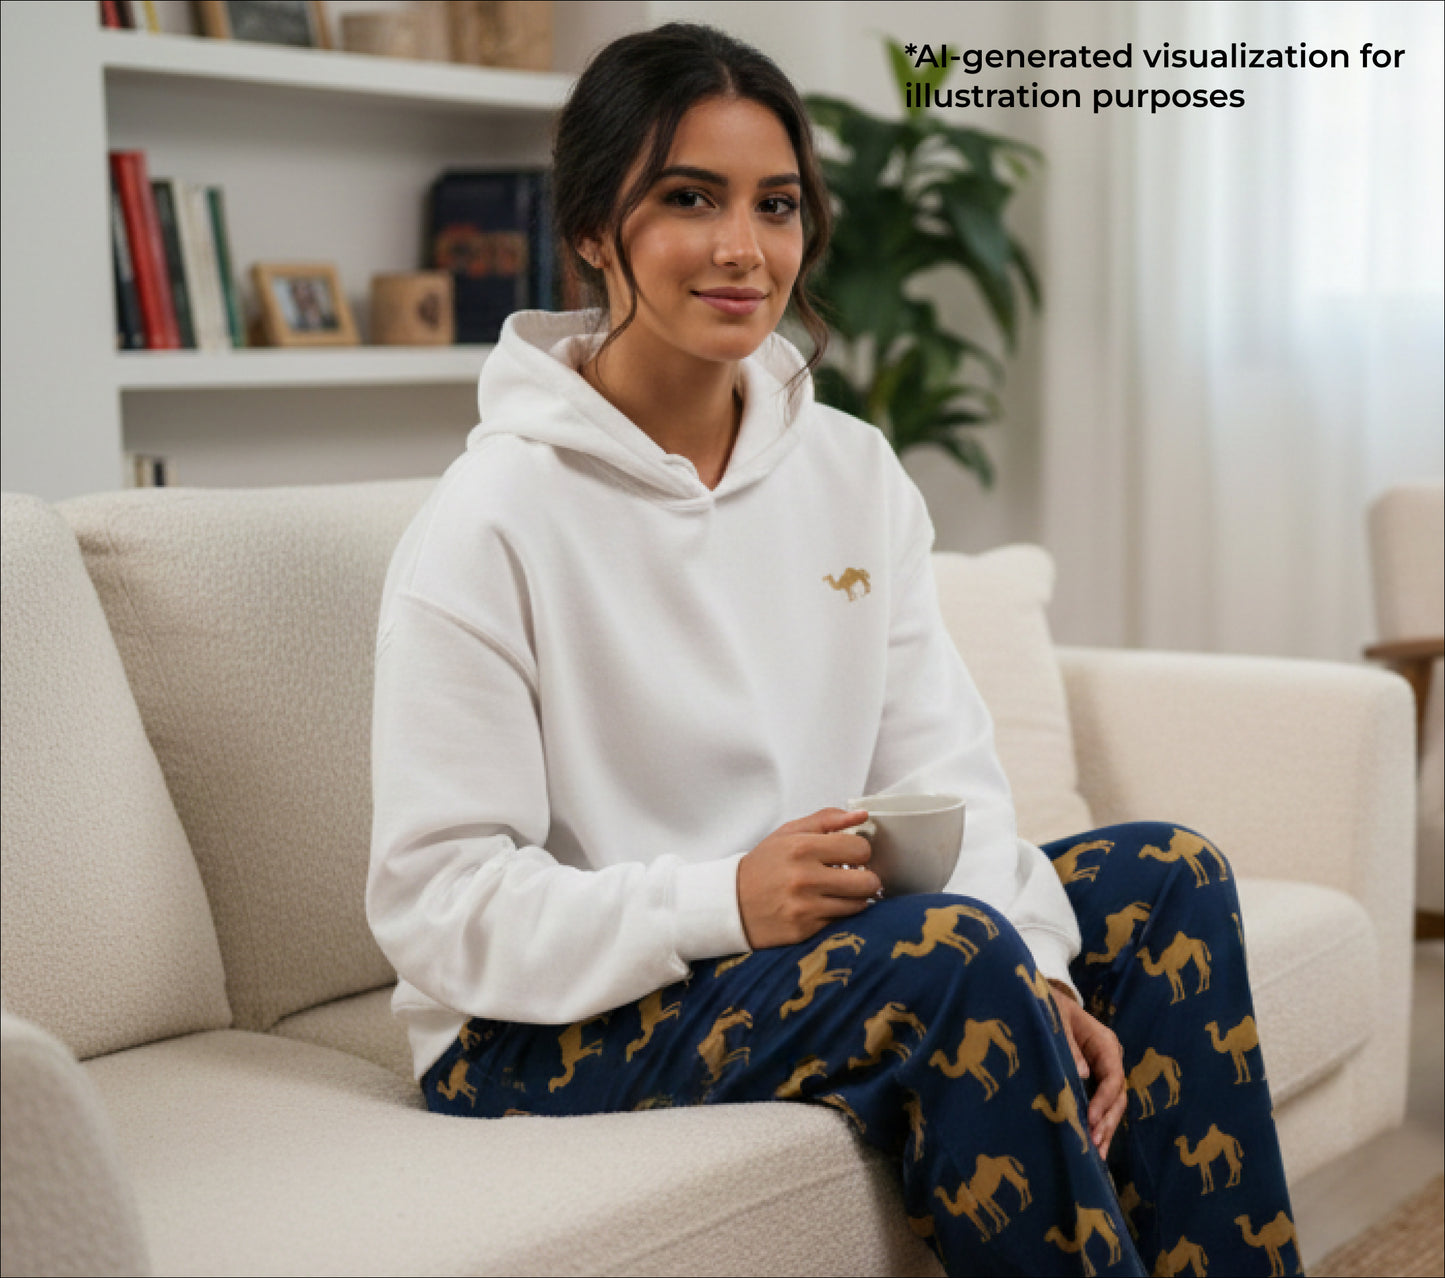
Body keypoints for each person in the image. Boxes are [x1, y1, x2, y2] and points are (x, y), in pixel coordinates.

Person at [367, 22, 1300, 1278]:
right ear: (593, 226)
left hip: (809, 955)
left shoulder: (849, 469)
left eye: (776, 204)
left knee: (1164, 880)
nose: (742, 248)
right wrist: (722, 899)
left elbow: (942, 772)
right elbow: (437, 906)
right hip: (537, 1026)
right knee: (947, 956)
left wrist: (1047, 975)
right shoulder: (488, 522)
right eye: (688, 198)